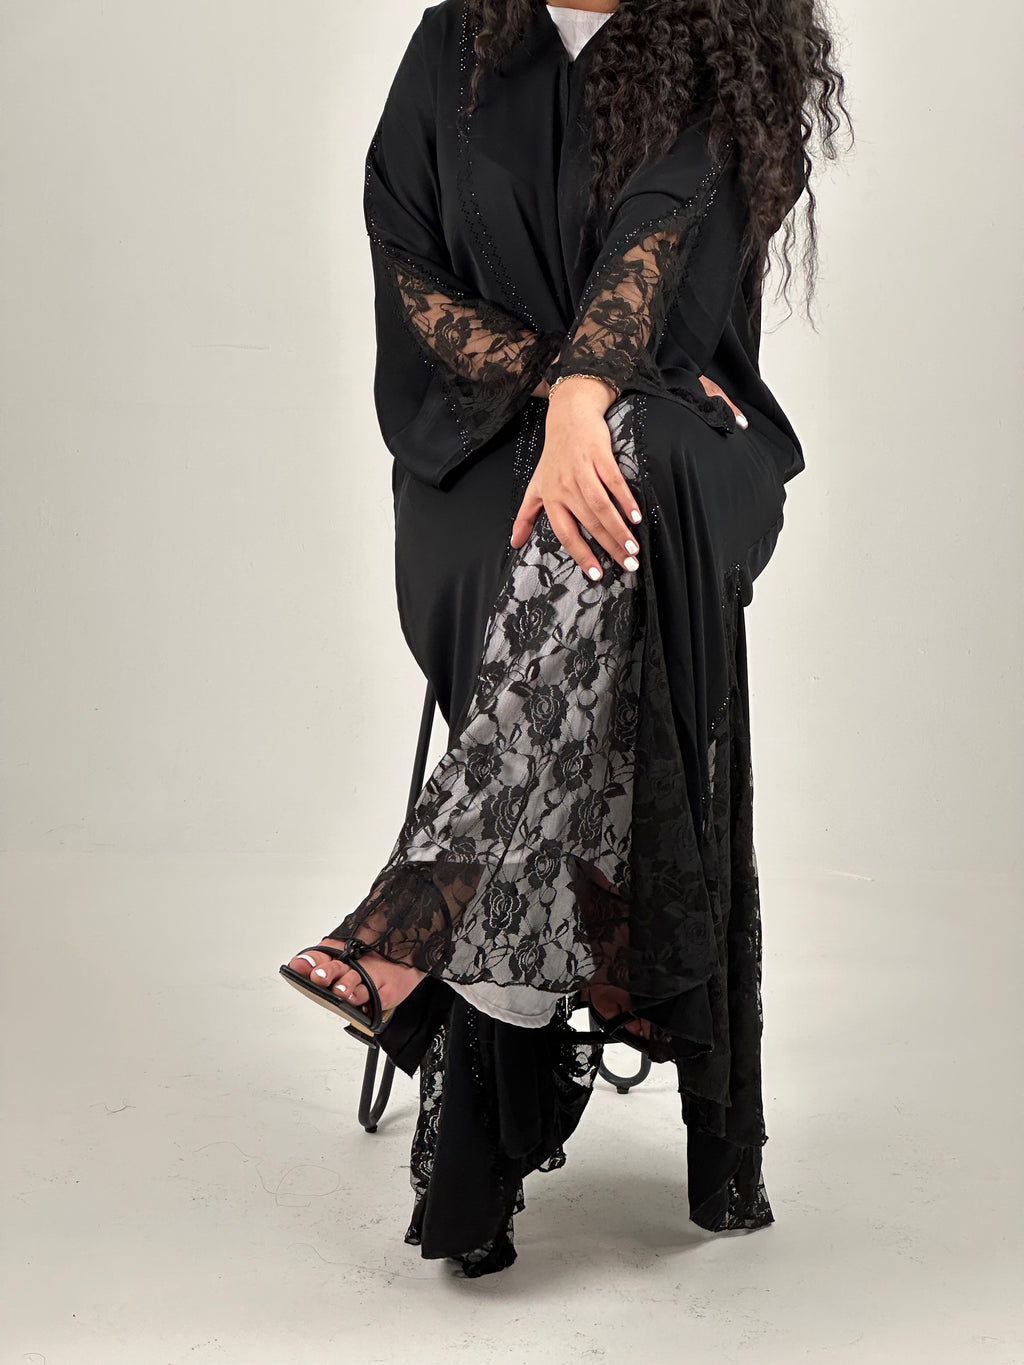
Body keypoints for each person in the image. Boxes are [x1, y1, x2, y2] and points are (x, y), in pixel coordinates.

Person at [279, 0, 851, 1277]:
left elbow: (660, 242)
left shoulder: (714, 43)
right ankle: (479, 954)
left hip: (680, 436)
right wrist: (556, 384)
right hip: (478, 445)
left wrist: (594, 398)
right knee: (582, 549)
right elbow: (404, 258)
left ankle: (421, 923)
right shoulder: (456, 40)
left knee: (623, 474)